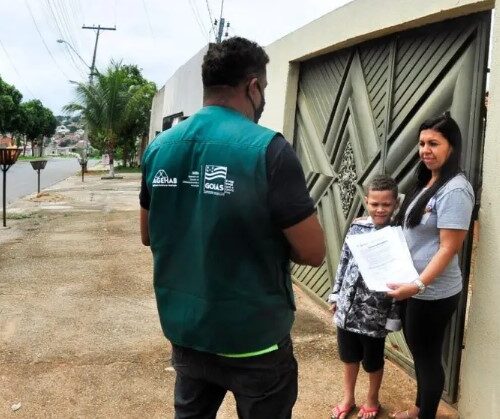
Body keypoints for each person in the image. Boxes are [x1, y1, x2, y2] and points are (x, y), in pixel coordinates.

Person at [139, 36, 325, 419]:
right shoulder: (269, 150)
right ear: (253, 86)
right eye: (265, 89)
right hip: (253, 340)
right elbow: (312, 251)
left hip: (187, 332)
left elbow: (147, 234)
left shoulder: (159, 148)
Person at [387, 113, 474, 419]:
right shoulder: (427, 181)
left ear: (452, 146)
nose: (425, 149)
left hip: (433, 292)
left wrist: (419, 285)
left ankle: (424, 414)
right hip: (414, 286)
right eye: (422, 143)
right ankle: (418, 409)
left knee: (427, 359)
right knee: (420, 354)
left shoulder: (456, 190)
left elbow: (450, 248)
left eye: (434, 143)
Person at [328, 175, 401, 419]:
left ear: (395, 205)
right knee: (348, 356)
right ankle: (348, 397)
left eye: (386, 205)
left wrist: (393, 314)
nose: (380, 209)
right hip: (347, 309)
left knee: (372, 361)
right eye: (374, 204)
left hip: (375, 312)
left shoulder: (398, 234)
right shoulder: (357, 227)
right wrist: (337, 294)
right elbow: (344, 261)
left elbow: (401, 276)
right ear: (366, 201)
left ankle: (372, 398)